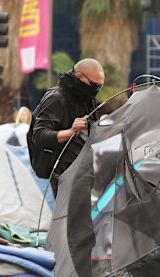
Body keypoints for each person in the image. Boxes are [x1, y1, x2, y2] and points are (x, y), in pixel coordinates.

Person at [32, 58, 104, 197]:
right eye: (95, 86)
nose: (96, 91)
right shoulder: (56, 98)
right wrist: (70, 131)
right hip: (63, 174)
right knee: (67, 217)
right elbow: (39, 136)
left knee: (83, 218)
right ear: (79, 77)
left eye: (100, 87)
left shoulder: (86, 100)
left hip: (84, 172)